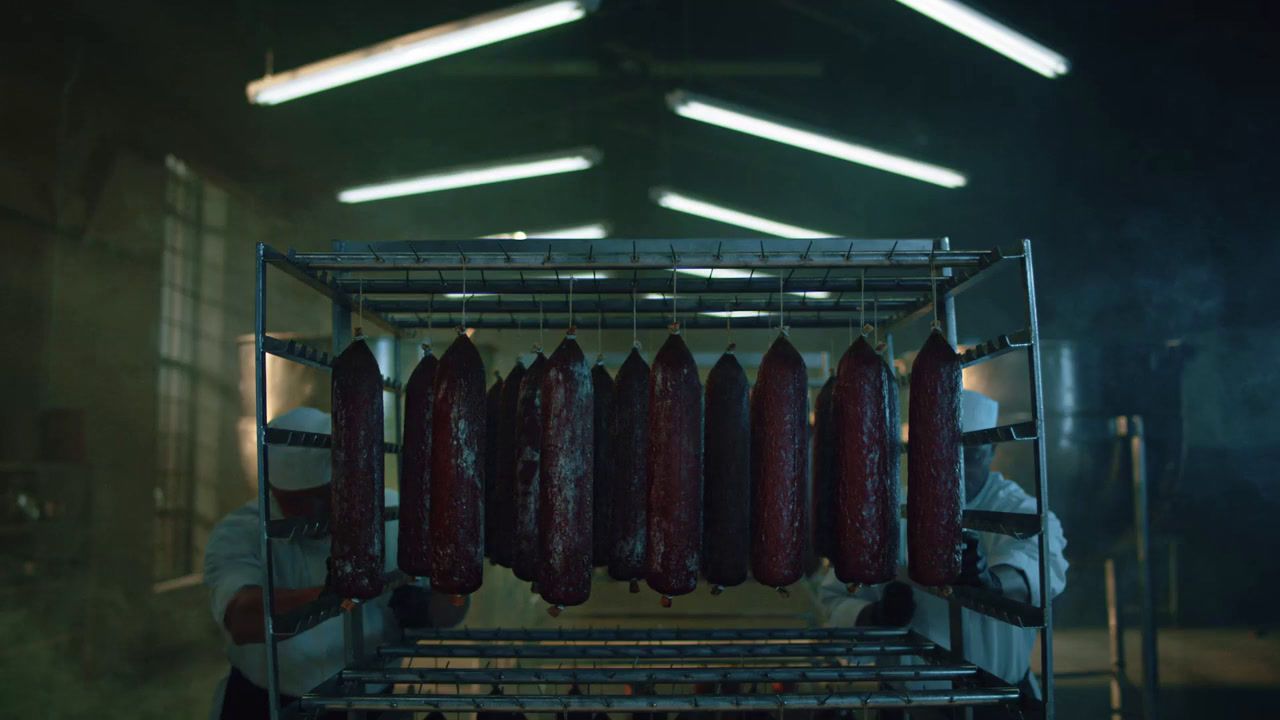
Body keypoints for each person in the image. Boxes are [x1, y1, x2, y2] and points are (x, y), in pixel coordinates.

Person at [203, 407, 463, 720]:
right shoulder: (242, 531)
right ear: (273, 491)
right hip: (266, 704)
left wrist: (438, 603)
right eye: (299, 502)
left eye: (327, 498)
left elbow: (452, 609)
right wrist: (335, 595)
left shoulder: (394, 515)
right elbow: (243, 620)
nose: (317, 512)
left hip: (374, 705)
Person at [816, 390, 1069, 708]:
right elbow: (832, 599)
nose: (958, 468)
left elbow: (1042, 564)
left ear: (991, 451)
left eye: (972, 456)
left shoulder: (1018, 509)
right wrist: (875, 615)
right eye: (946, 455)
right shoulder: (887, 512)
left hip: (996, 702)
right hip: (906, 704)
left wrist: (992, 582)